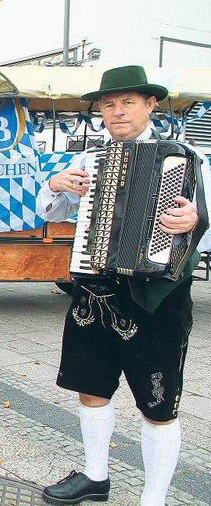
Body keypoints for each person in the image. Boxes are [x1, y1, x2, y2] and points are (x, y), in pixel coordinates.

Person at [38, 66, 211, 505]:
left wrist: (194, 221)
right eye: (109, 104)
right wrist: (56, 185)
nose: (117, 112)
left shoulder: (186, 157)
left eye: (128, 103)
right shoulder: (86, 160)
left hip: (157, 299)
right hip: (94, 293)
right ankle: (96, 477)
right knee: (91, 386)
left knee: (158, 403)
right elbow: (51, 212)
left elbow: (204, 223)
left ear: (150, 105)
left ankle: (154, 498)